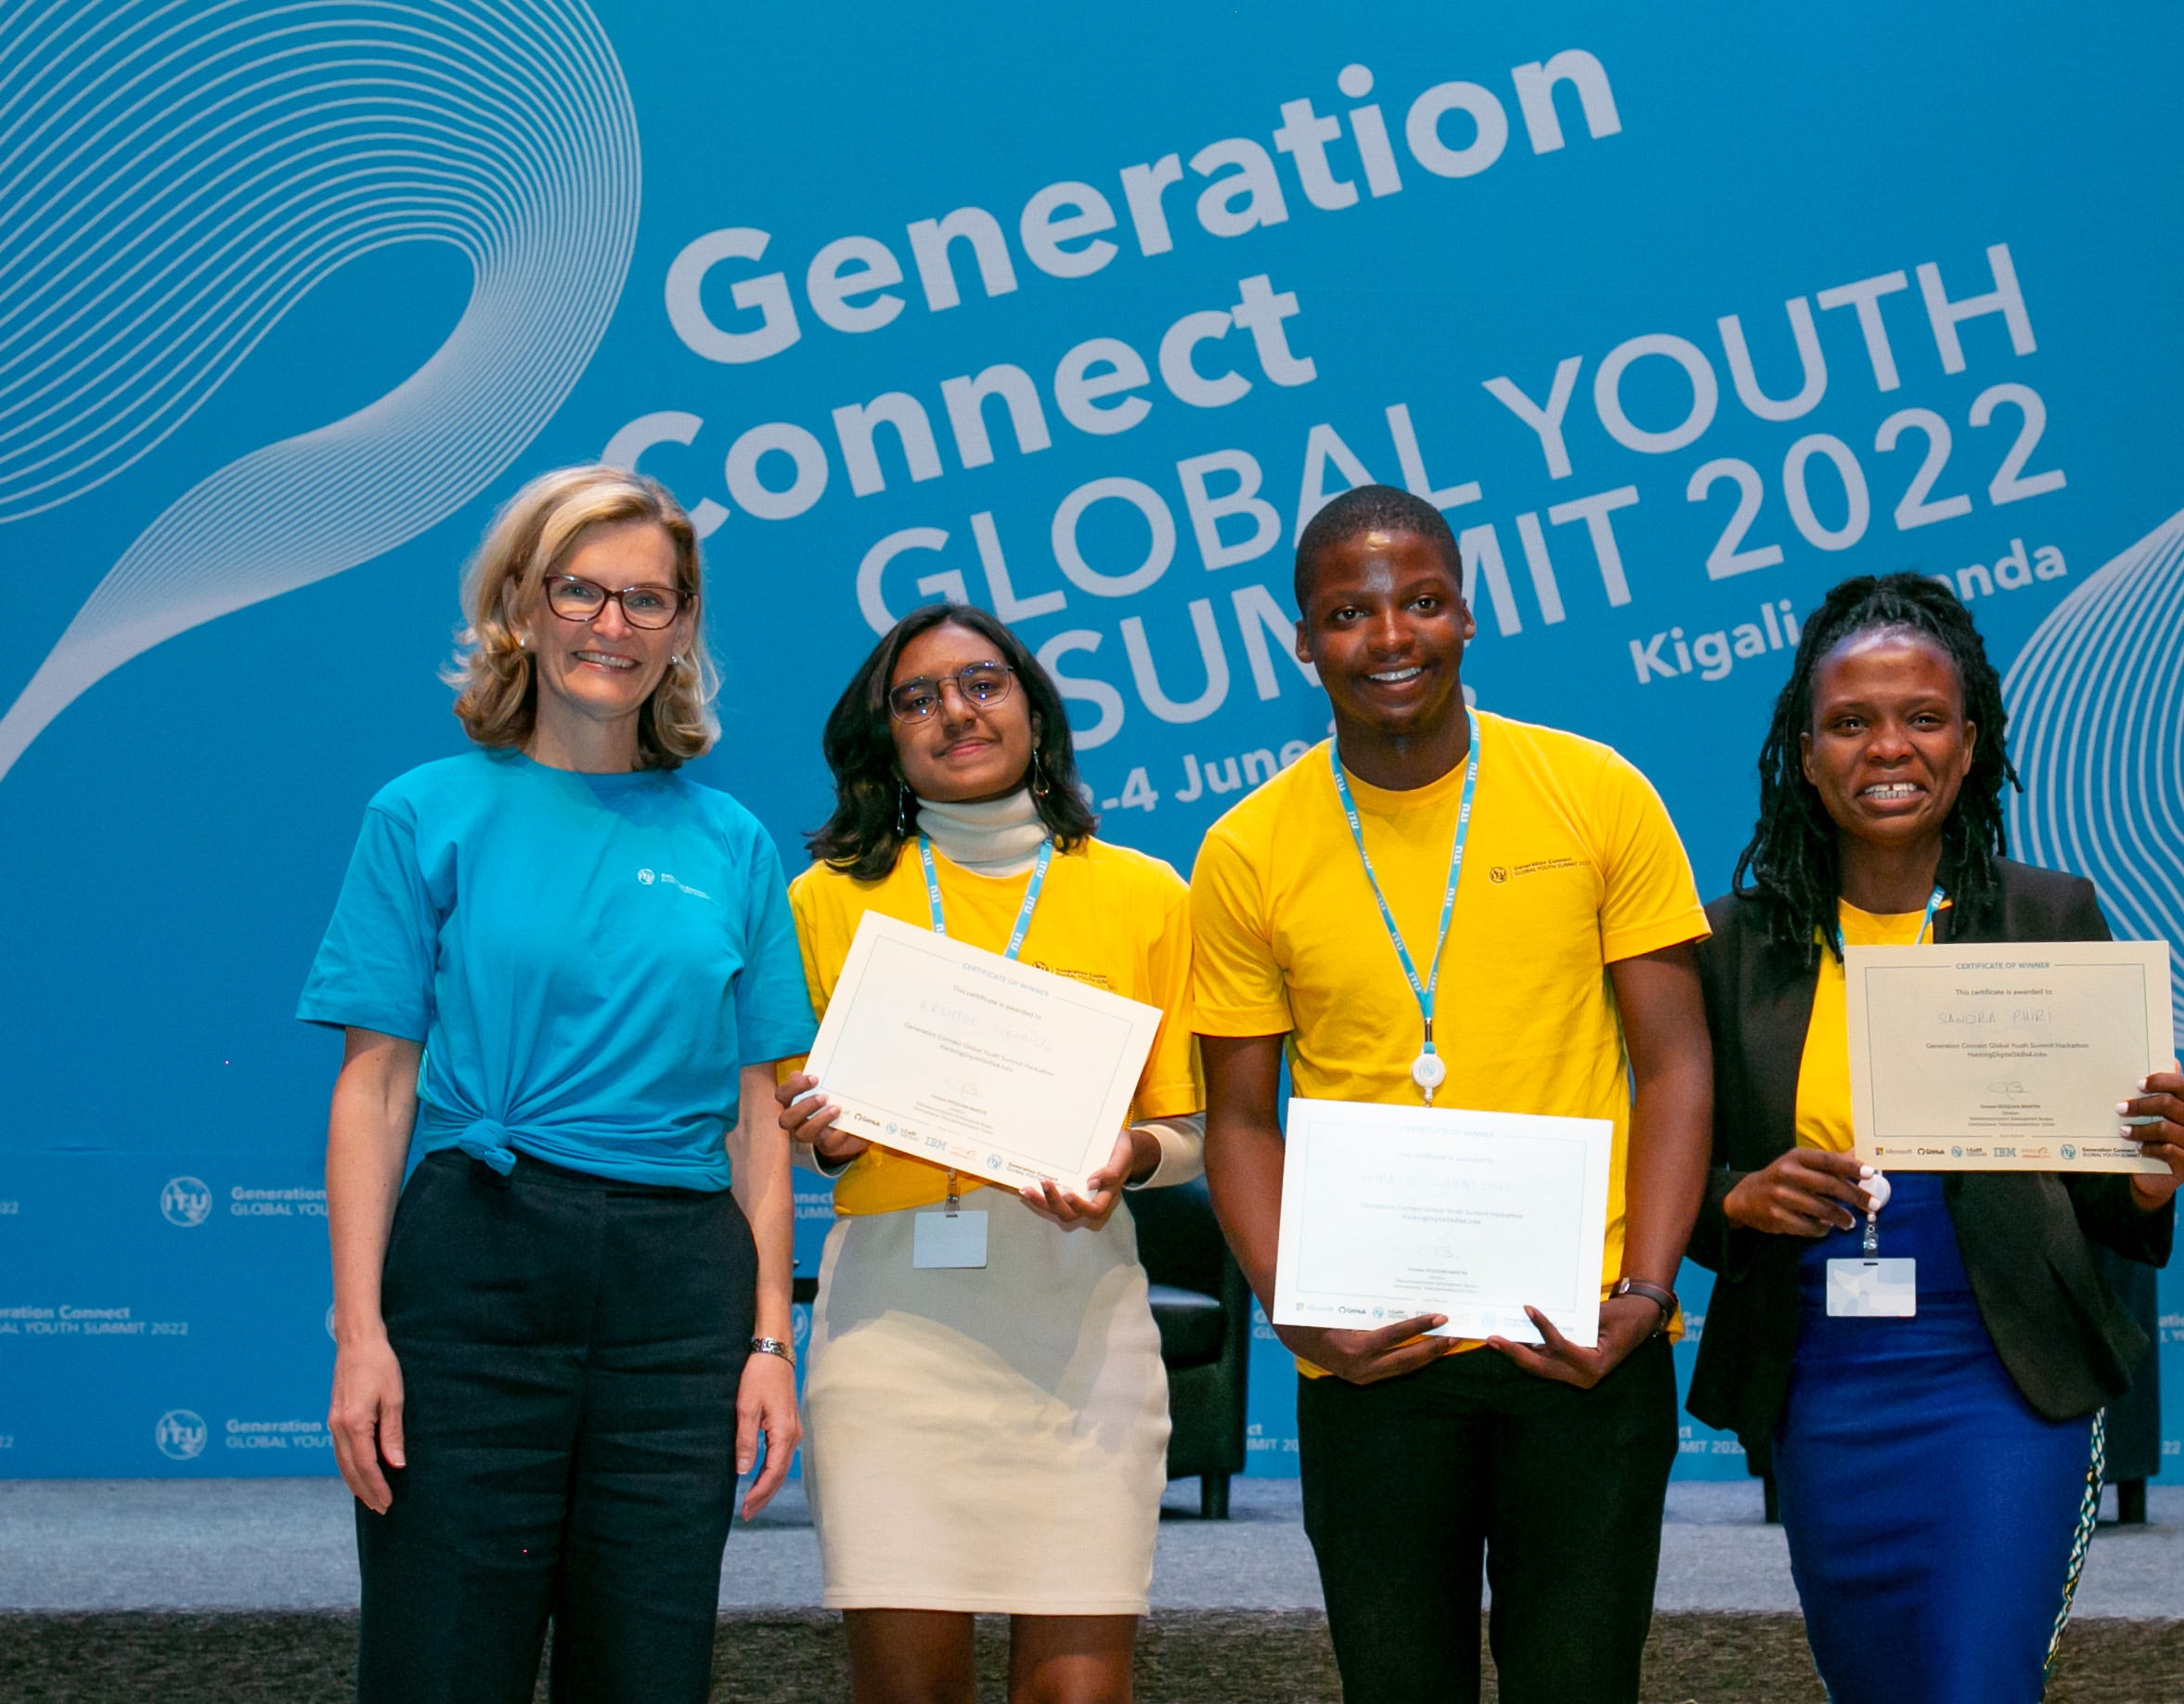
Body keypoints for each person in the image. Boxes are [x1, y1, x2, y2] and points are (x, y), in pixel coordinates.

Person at [1189, 485, 1713, 1704]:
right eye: (1348, 613)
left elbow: (1678, 1067)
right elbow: (1240, 1121)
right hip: (1372, 1357)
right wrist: (1298, 1315)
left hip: (1580, 1341)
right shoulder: (1248, 849)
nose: (1390, 637)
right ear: (1302, 640)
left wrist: (1644, 1294)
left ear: (1467, 616)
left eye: (1421, 602)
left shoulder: (1596, 792)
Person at [302, 466, 812, 1703]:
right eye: (580, 591)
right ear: (521, 608)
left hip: (677, 1305)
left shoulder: (734, 842)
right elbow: (375, 1090)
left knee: (647, 1673)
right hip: (473, 1272)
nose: (611, 626)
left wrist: (767, 1342)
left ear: (683, 628)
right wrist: (361, 1334)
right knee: (437, 1667)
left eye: (648, 600)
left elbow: (757, 1120)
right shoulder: (422, 813)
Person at [1683, 572, 2184, 1704]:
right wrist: (1734, 1199)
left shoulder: (2049, 916)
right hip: (1824, 1384)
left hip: (2004, 1378)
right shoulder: (1731, 944)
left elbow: (2107, 1194)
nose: (1889, 748)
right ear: (1805, 753)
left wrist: (2155, 1174)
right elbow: (1671, 1172)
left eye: (1923, 718)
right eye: (1851, 723)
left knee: (1977, 1682)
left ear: (1969, 748)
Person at [774, 603, 1205, 1704]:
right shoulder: (822, 901)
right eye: (916, 698)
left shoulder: (1146, 894)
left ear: (1035, 711)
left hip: (1081, 1333)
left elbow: (1191, 1135)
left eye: (981, 684)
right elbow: (789, 1117)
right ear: (885, 735)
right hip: (892, 1345)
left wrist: (1128, 1156)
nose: (955, 713)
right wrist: (822, 1133)